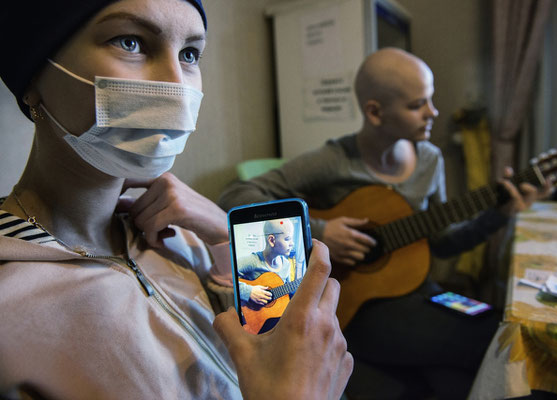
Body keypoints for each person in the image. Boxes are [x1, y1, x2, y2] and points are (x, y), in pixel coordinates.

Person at [0, 1, 353, 399]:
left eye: (189, 54)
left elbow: (284, 340)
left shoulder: (181, 235)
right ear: (33, 75)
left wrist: (226, 234)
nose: (176, 84)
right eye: (130, 42)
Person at [218, 48, 551, 399]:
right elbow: (238, 194)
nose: (433, 112)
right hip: (357, 307)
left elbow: (441, 242)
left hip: (420, 293)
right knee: (493, 342)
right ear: (375, 112)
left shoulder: (429, 160)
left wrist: (499, 214)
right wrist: (321, 230)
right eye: (417, 105)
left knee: (492, 337)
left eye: (430, 100)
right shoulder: (335, 160)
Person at [237, 218, 298, 306]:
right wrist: (248, 292)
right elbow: (230, 276)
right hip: (252, 312)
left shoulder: (286, 264)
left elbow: (286, 291)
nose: (292, 243)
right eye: (287, 239)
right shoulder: (253, 260)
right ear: (272, 241)